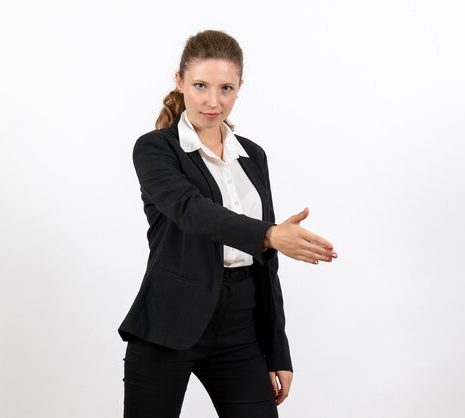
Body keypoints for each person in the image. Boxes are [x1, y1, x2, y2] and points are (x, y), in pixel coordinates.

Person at [118, 29, 338, 418]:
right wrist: (269, 234)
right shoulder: (155, 149)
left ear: (240, 88)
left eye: (226, 88)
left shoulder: (252, 156)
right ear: (180, 82)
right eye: (201, 85)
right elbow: (191, 210)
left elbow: (266, 266)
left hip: (240, 327)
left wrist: (277, 350)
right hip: (170, 322)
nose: (213, 101)